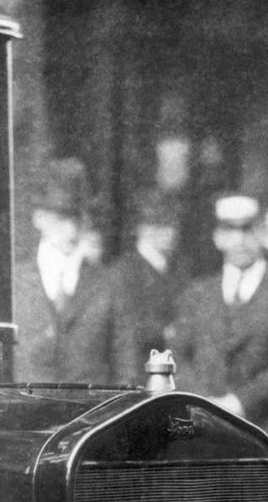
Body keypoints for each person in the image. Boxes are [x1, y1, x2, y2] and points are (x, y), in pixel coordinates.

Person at [168, 192, 268, 468]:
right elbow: (179, 357)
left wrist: (238, 403)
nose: (239, 240)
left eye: (248, 230)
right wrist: (203, 405)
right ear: (217, 237)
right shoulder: (197, 293)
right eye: (229, 231)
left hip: (260, 433)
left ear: (262, 235)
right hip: (200, 433)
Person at [13, 157, 120, 384]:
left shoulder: (109, 283)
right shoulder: (14, 281)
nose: (71, 232)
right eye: (61, 219)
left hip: (95, 415)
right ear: (38, 218)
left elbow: (125, 362)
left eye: (79, 220)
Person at [105, 188, 184, 376]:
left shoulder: (180, 269)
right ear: (142, 229)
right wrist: (166, 332)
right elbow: (123, 328)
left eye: (174, 225)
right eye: (161, 225)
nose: (171, 232)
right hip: (138, 370)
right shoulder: (123, 272)